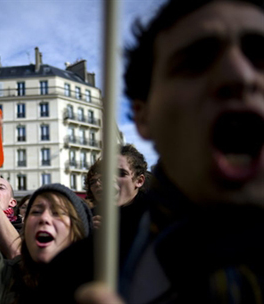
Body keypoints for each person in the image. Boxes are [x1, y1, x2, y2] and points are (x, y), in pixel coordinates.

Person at [81, 0, 264, 302]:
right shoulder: (82, 272)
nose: (238, 74)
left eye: (259, 55)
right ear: (142, 114)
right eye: (196, 62)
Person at [0, 109, 94, 304]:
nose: (44, 218)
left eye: (58, 213)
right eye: (36, 211)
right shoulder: (6, 280)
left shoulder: (96, 291)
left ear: (78, 234)